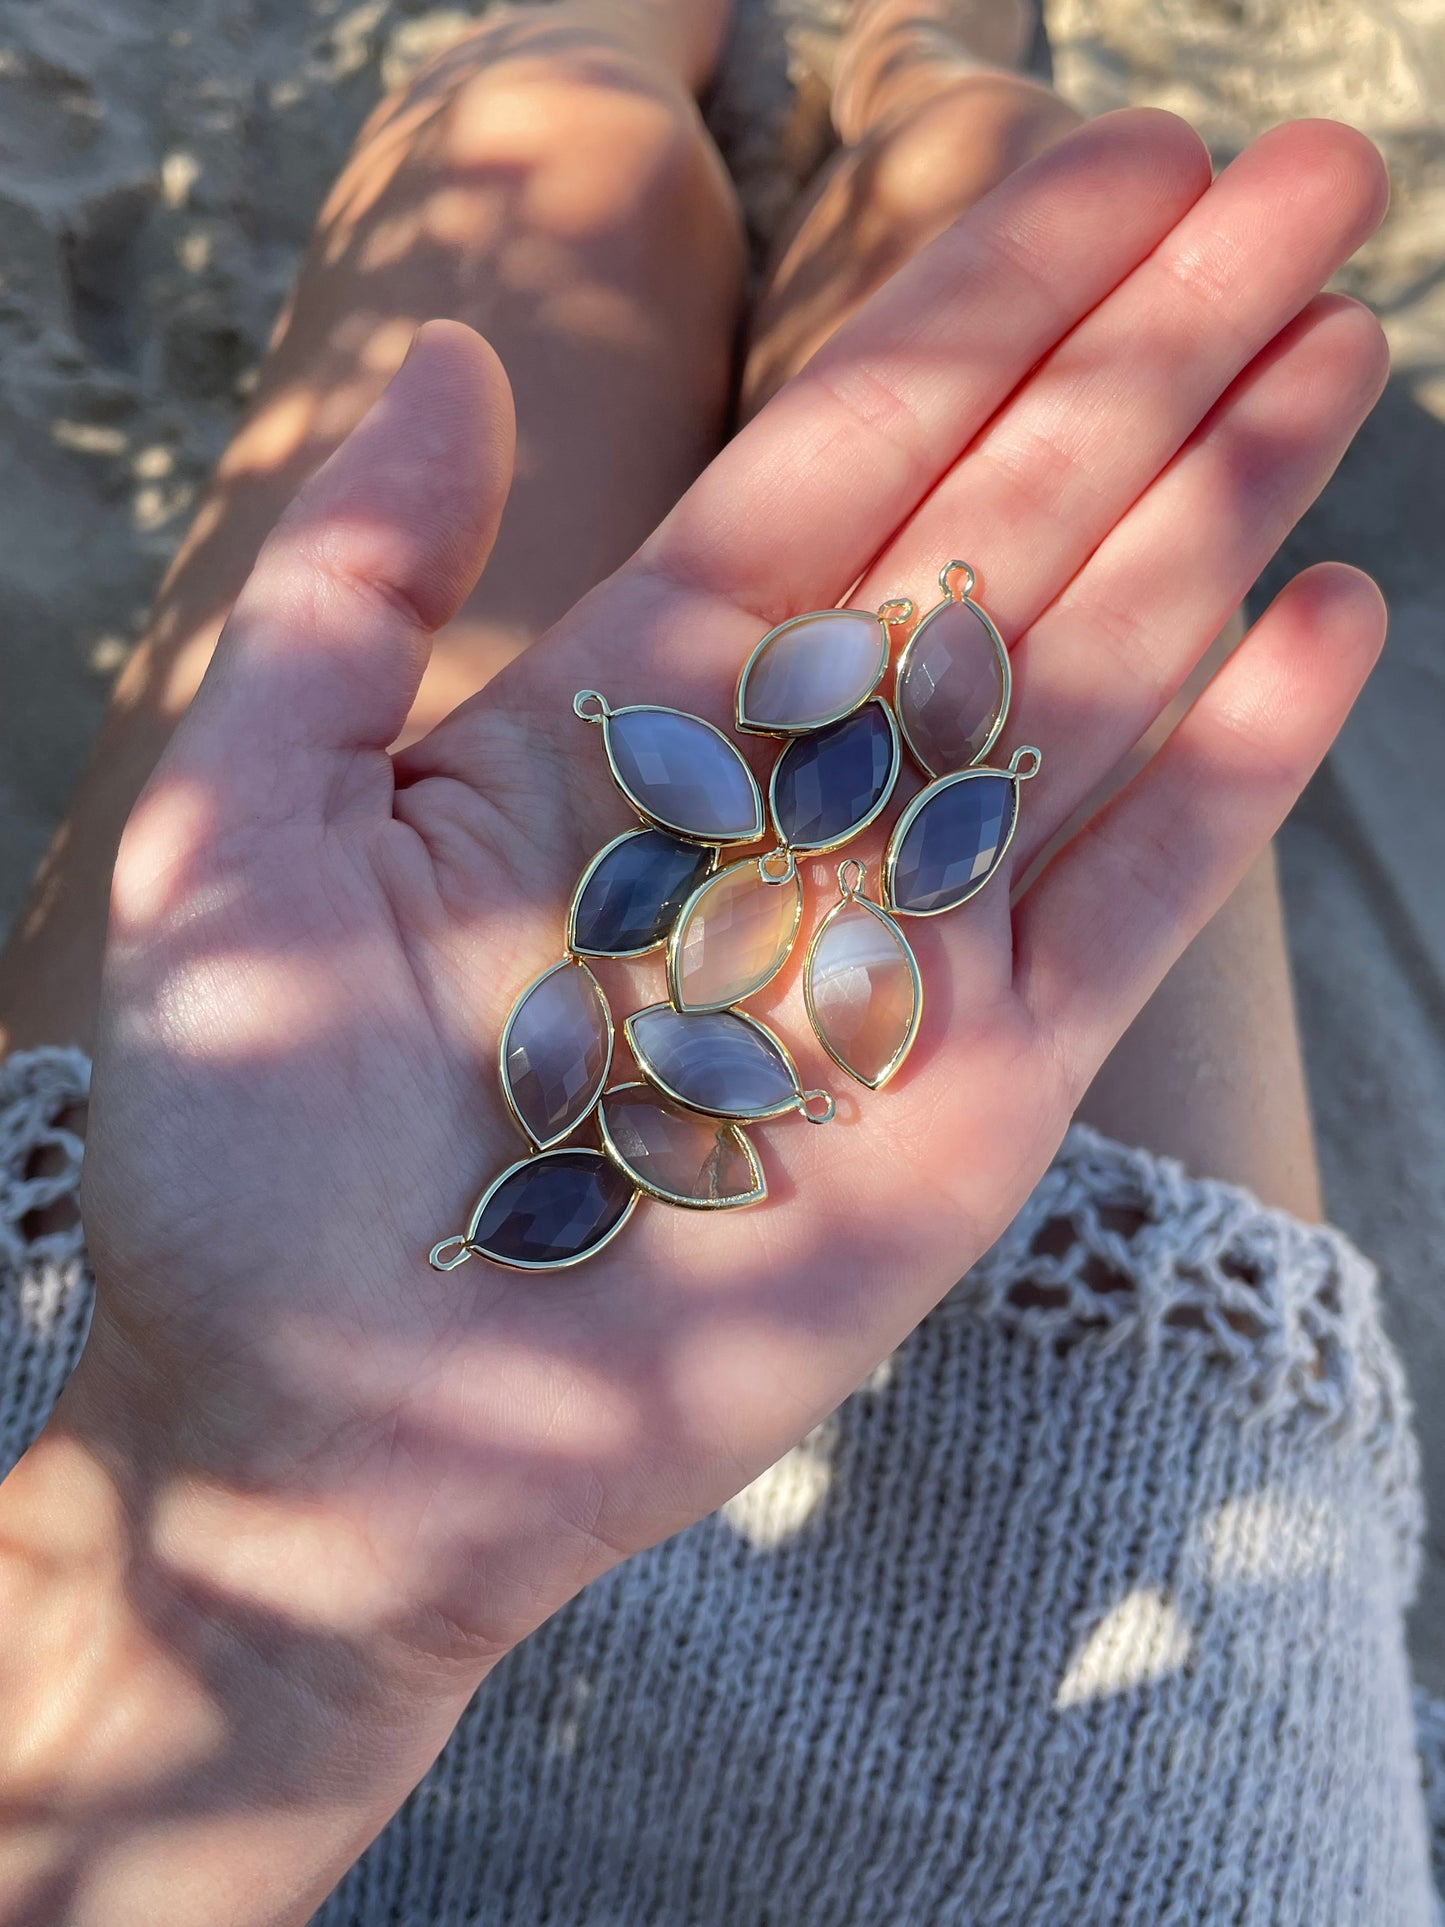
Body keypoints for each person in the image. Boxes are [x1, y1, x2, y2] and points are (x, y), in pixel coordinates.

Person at [0, 0, 1434, 1919]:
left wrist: (220, 1557)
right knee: (996, 188)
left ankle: (604, 44)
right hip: (1094, 1805)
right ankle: (920, 62)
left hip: (129, 1561)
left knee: (552, 151)